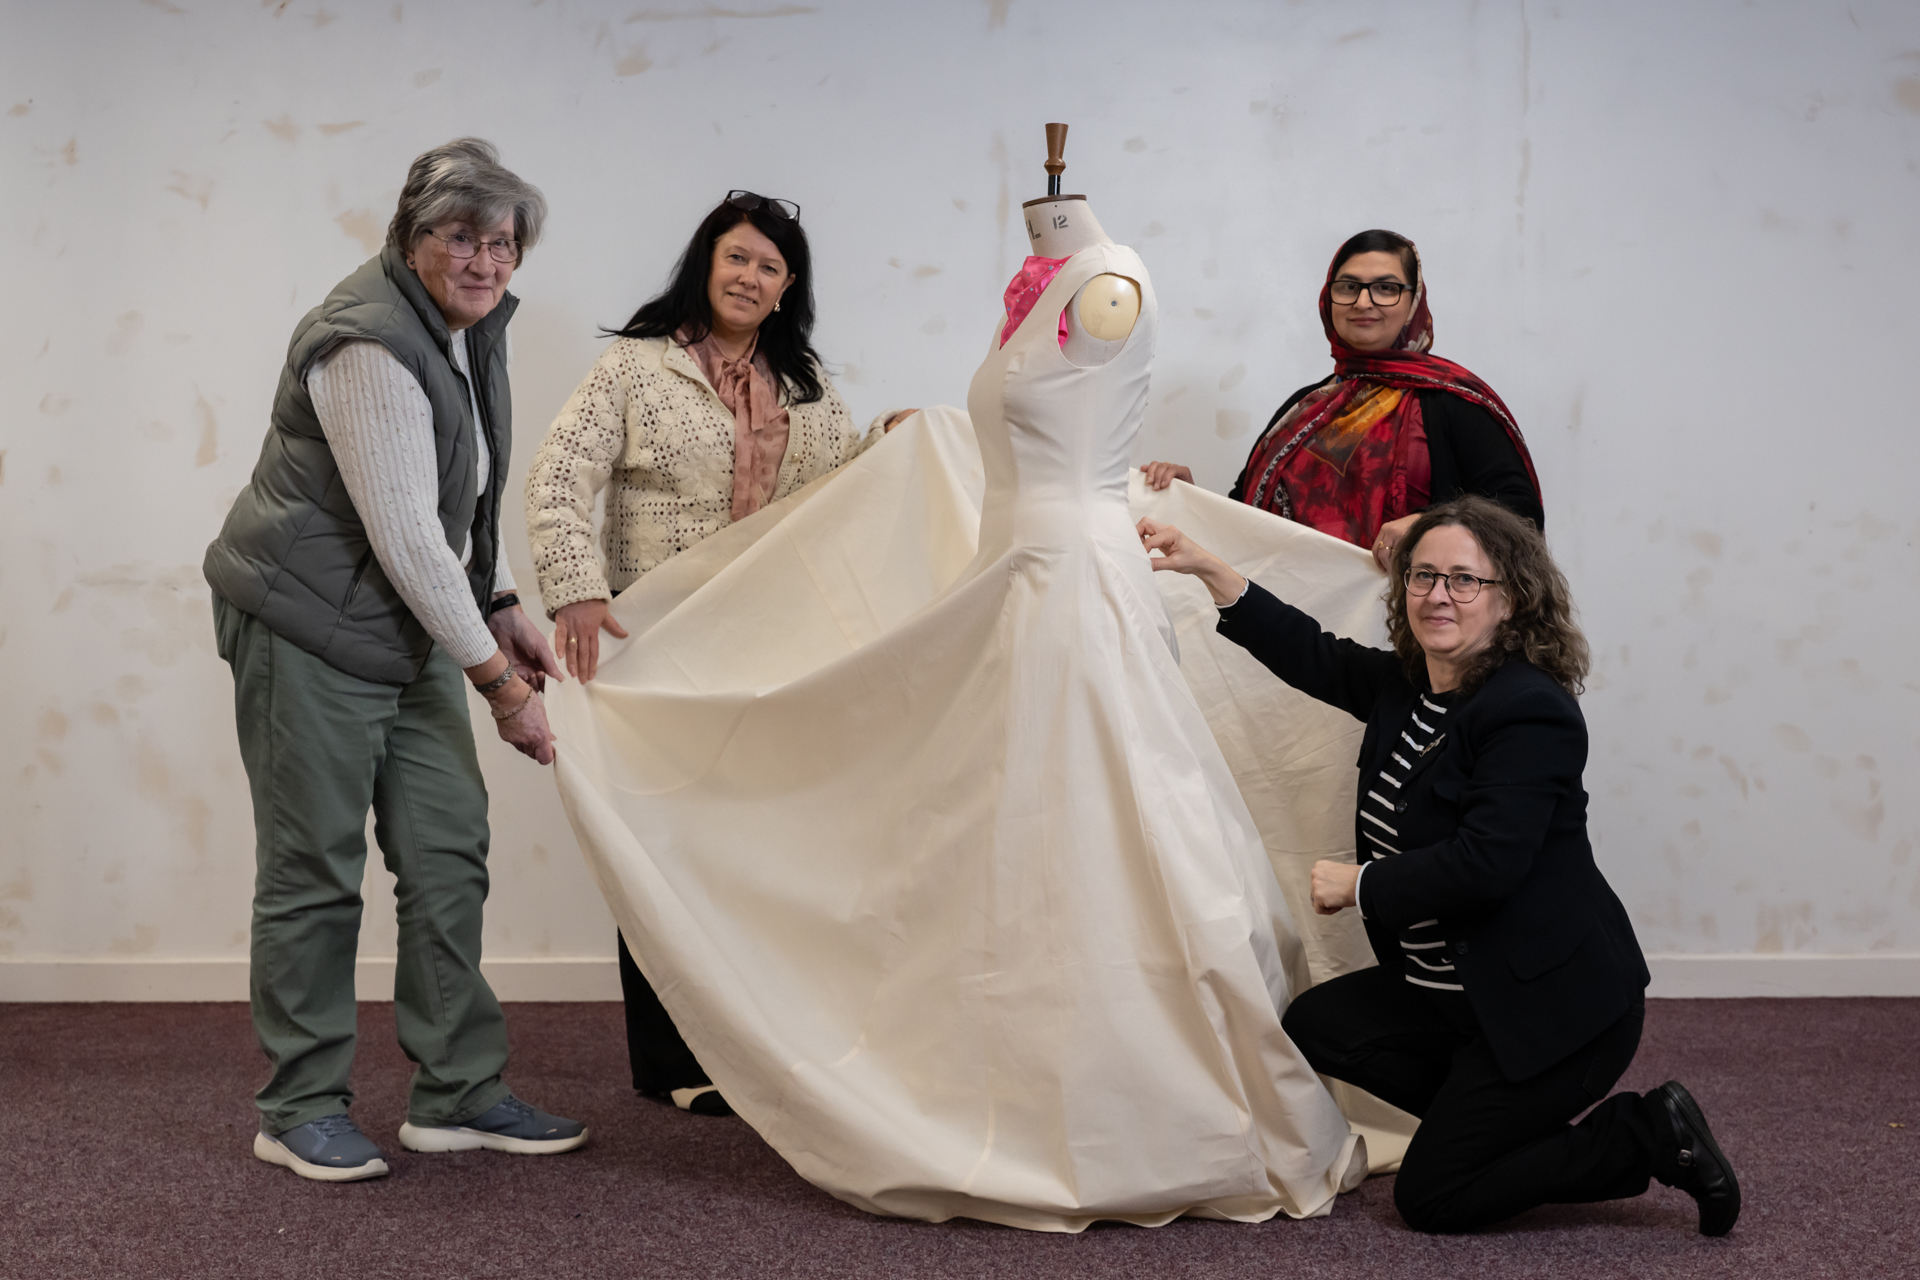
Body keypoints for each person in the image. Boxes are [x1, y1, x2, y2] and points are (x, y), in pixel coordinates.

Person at [1136, 495, 1741, 1235]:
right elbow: (1312, 654)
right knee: (1322, 1023)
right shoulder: (1410, 686)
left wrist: (1360, 885)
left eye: (1464, 580)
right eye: (1423, 577)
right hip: (1455, 998)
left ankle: (1646, 1135)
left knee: (1434, 1197)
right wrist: (1208, 568)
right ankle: (1488, 1124)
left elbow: (1488, 863)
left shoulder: (1529, 709)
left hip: (1555, 1009)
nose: (1438, 596)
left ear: (1511, 598)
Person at [204, 138, 586, 1182]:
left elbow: (466, 490)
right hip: (307, 623)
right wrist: (500, 684)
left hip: (406, 618)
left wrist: (498, 597)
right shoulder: (364, 339)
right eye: (461, 236)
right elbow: (407, 533)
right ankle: (297, 1105)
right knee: (316, 867)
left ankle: (458, 1091)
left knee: (447, 846)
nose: (485, 260)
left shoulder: (472, 326)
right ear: (413, 240)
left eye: (502, 241)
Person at [524, 191, 906, 1116]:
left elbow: (832, 493)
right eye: (737, 258)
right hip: (654, 639)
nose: (750, 277)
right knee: (660, 842)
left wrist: (890, 448)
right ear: (706, 264)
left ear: (787, 290)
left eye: (770, 267)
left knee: (749, 844)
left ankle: (750, 1044)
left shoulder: (806, 383)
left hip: (764, 644)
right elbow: (557, 475)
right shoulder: (636, 369)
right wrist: (576, 584)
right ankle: (671, 1058)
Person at [1144, 229, 1542, 572]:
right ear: (1328, 299)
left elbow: (1520, 516)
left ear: (1413, 302)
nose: (1363, 302)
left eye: (1386, 288)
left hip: (1416, 638)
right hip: (1296, 634)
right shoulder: (1306, 409)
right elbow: (1251, 518)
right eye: (1348, 287)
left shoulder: (1452, 401)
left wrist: (1429, 525)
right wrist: (1190, 501)